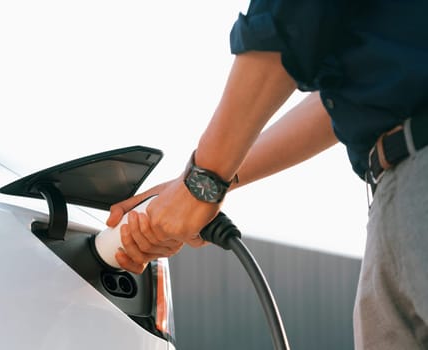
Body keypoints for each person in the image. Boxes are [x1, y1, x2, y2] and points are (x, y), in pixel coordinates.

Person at [106, 1, 428, 349]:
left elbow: (290, 20)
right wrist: (200, 182)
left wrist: (202, 184)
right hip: (393, 189)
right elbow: (362, 90)